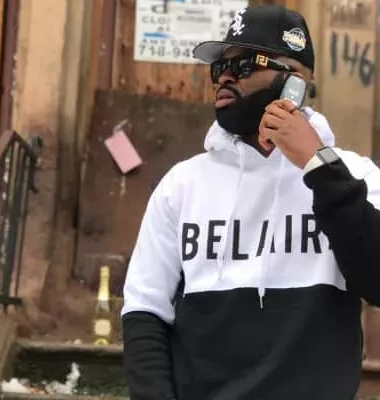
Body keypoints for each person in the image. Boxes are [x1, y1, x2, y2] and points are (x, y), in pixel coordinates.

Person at [121, 4, 380, 400]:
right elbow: (145, 310)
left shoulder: (355, 177)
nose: (224, 77)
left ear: (294, 82)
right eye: (219, 68)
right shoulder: (182, 185)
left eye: (242, 66)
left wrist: (320, 168)